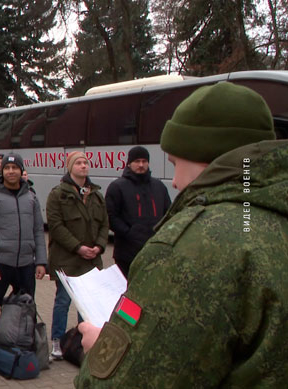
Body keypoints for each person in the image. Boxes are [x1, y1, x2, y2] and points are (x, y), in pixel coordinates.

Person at [75, 82, 288, 387]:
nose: (174, 182)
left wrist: (100, 352)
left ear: (206, 155)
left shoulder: (193, 248)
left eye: (175, 163)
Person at [0, 153, 47, 366]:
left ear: (22, 171)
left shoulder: (31, 197)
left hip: (25, 264)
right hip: (0, 264)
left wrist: (41, 261)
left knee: (27, 308)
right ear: (1, 171)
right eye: (7, 168)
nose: (11, 172)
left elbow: (38, 232)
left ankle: (25, 346)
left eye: (15, 168)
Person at [47, 151, 109, 361]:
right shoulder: (58, 194)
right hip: (67, 259)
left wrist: (99, 246)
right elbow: (56, 226)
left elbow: (104, 224)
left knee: (87, 305)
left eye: (85, 162)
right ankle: (56, 341)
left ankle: (84, 341)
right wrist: (78, 247)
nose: (83, 166)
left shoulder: (96, 194)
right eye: (79, 163)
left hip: (91, 260)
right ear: (70, 167)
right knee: (63, 301)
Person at [105, 146, 171, 278]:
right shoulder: (117, 187)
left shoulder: (159, 186)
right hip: (127, 254)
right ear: (129, 163)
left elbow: (168, 213)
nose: (141, 165)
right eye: (137, 161)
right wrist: (129, 232)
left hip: (154, 251)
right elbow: (110, 217)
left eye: (144, 161)